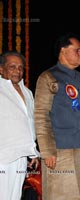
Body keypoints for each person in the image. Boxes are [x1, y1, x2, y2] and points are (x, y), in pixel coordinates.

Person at [34, 33, 80, 200]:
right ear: (63, 51)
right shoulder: (48, 77)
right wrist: (47, 151)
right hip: (60, 150)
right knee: (63, 196)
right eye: (77, 50)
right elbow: (41, 115)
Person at [0, 51, 39, 200]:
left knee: (15, 197)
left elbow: (30, 123)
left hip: (21, 156)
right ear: (1, 69)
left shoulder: (27, 92)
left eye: (21, 67)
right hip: (3, 156)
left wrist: (33, 152)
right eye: (12, 67)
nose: (17, 70)